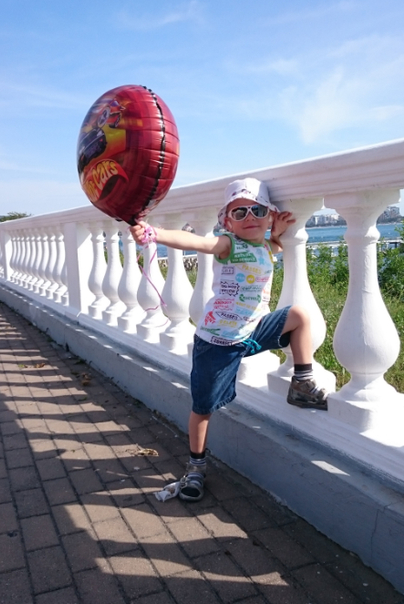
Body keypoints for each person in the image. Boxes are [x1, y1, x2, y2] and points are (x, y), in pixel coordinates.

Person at [130, 177, 327, 502]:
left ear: (268, 215)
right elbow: (195, 242)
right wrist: (154, 234)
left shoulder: (265, 247)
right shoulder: (228, 245)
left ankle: (301, 383)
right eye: (240, 212)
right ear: (227, 222)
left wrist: (276, 234)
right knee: (203, 408)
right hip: (217, 343)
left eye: (257, 211)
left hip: (252, 331)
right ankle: (196, 467)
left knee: (300, 316)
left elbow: (273, 248)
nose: (249, 217)